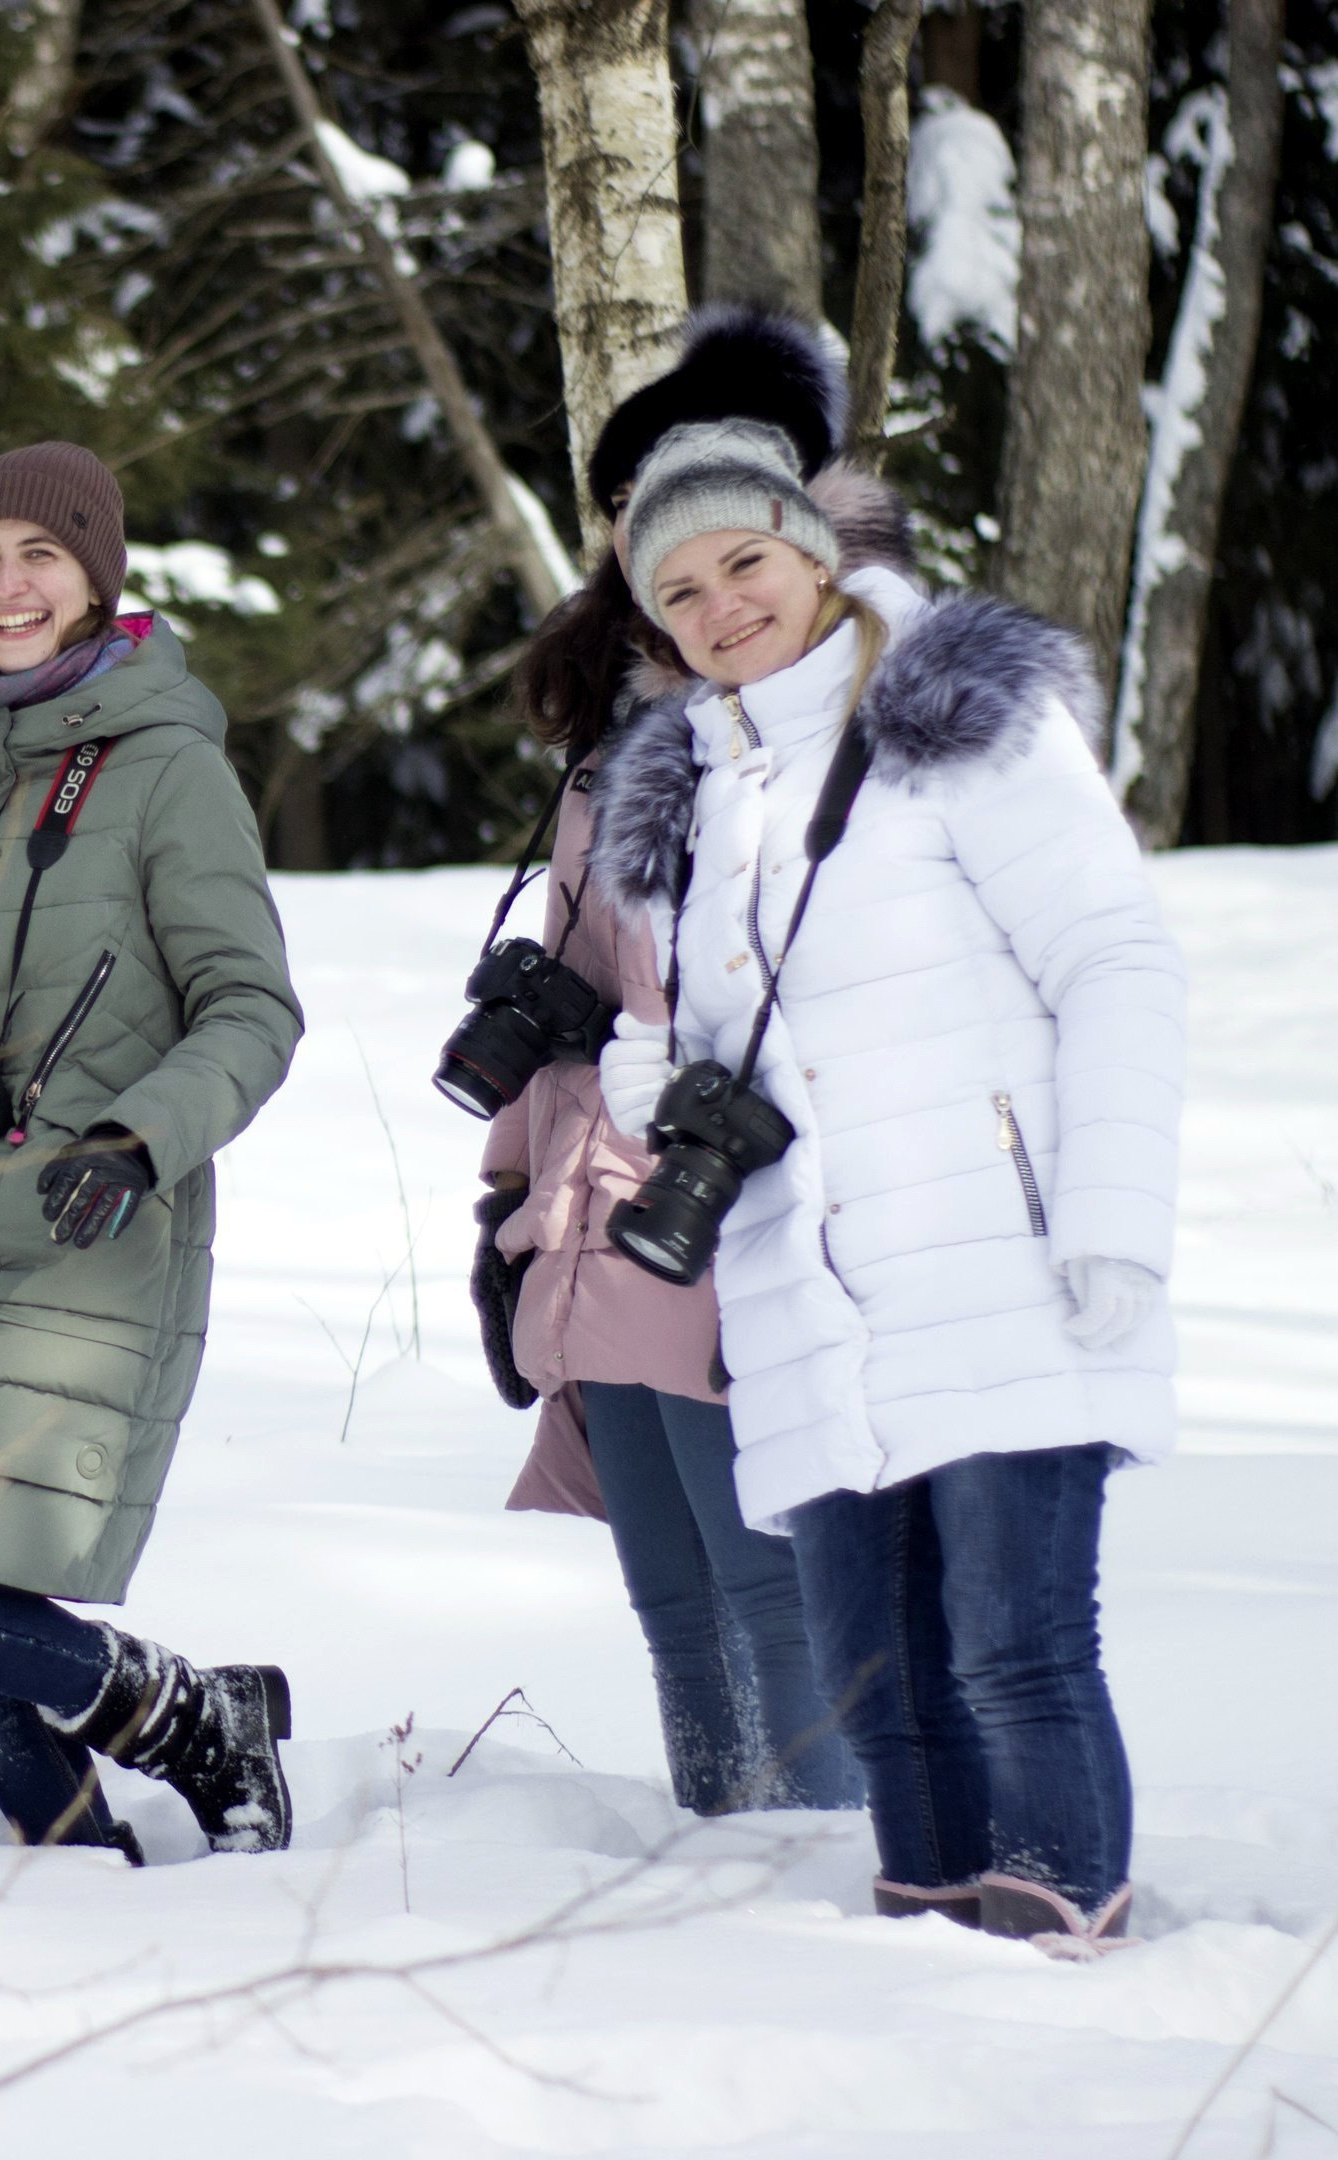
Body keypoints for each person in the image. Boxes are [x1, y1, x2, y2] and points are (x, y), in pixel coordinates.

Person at [585, 308, 1186, 1951]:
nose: (720, 607)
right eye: (678, 591)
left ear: (809, 546)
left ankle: (1065, 1961)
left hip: (997, 1263)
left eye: (742, 564)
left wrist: (1112, 1222)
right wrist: (659, 1092)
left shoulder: (956, 715)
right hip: (809, 1300)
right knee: (881, 1685)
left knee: (1015, 1648)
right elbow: (675, 1049)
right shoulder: (690, 797)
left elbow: (1115, 958)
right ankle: (922, 1973)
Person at [0, 442, 304, 1862]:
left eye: (41, 554)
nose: (9, 583)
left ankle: (194, 1719)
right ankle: (76, 1869)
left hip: (90, 1230)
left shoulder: (171, 772)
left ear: (97, 578)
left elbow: (252, 1009)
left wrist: (136, 1140)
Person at [469, 423, 879, 1817]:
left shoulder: (793, 735)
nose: (701, 582)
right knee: (666, 1584)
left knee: (762, 1569)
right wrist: (505, 1203)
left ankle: (813, 1858)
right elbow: (570, 985)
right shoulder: (611, 741)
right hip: (595, 1204)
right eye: (637, 512)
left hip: (725, 1199)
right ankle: (718, 1846)